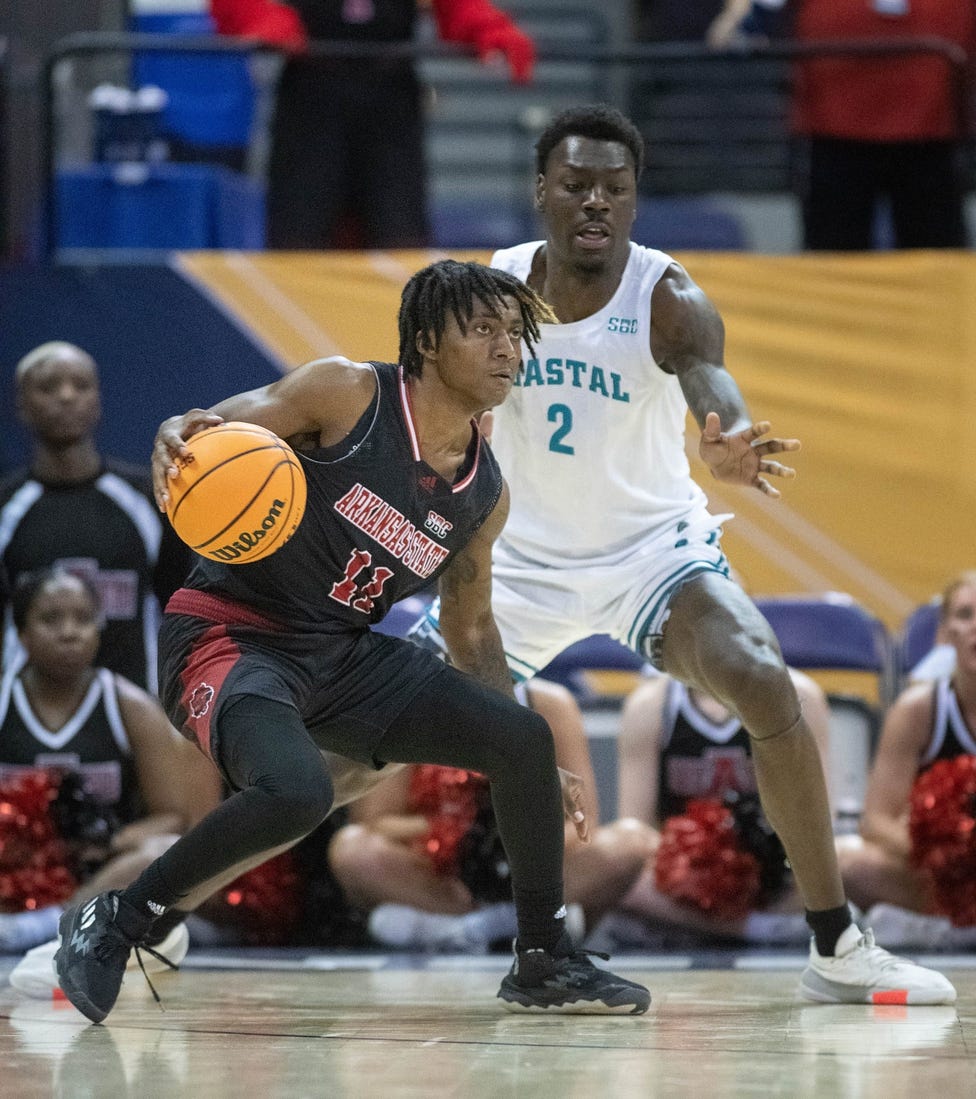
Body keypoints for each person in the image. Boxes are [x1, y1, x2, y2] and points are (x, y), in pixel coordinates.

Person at [408, 104, 954, 1004]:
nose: (595, 203)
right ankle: (157, 915)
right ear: (541, 191)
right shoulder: (490, 292)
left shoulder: (665, 295)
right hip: (515, 565)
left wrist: (729, 436)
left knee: (761, 674)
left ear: (633, 200)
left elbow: (713, 383)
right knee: (358, 743)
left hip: (648, 555)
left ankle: (836, 947)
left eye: (615, 190)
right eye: (577, 185)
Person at [52, 258, 651, 1024]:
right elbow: (209, 429)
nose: (508, 349)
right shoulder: (348, 393)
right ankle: (119, 921)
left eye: (515, 333)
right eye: (485, 330)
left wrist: (519, 746)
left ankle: (541, 959)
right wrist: (180, 431)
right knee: (298, 789)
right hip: (228, 632)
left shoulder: (484, 494)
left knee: (524, 736)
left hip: (338, 651)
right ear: (430, 341)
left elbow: (469, 628)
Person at [0, 568, 220, 987]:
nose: (69, 633)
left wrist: (105, 841)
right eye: (51, 620)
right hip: (13, 868)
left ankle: (57, 923)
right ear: (22, 632)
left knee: (167, 850)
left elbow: (172, 817)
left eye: (83, 619)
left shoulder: (131, 707)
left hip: (99, 871)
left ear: (99, 631)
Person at [329, 676, 655, 950]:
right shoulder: (406, 699)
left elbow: (583, 820)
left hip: (532, 865)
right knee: (352, 849)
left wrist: (522, 843)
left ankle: (454, 929)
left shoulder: (549, 702)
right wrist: (451, 828)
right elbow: (373, 822)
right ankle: (497, 924)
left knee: (630, 842)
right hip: (438, 872)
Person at [210, 0, 536, 249]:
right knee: (299, 232)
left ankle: (402, 331)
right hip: (312, 95)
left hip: (390, 98)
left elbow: (460, 7)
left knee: (400, 233)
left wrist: (488, 29)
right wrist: (258, 18)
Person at [0, 342, 191, 691]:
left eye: (81, 385)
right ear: (21, 406)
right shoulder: (7, 507)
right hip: (22, 724)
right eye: (48, 386)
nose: (67, 396)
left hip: (138, 714)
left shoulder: (151, 498)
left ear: (98, 400)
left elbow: (184, 606)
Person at [709, 0, 975, 250]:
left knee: (937, 261)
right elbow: (733, 35)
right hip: (833, 139)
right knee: (833, 261)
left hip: (933, 138)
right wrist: (738, 14)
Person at [613, 667, 831, 945]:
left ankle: (702, 927)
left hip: (779, 873)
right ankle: (760, 929)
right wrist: (693, 871)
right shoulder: (649, 705)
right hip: (680, 875)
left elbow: (818, 818)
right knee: (621, 867)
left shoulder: (798, 696)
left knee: (840, 860)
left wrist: (765, 870)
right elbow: (639, 828)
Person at [838, 571, 976, 949]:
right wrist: (949, 854)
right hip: (934, 873)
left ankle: (938, 929)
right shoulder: (918, 710)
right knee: (847, 865)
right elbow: (877, 821)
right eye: (965, 615)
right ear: (944, 633)